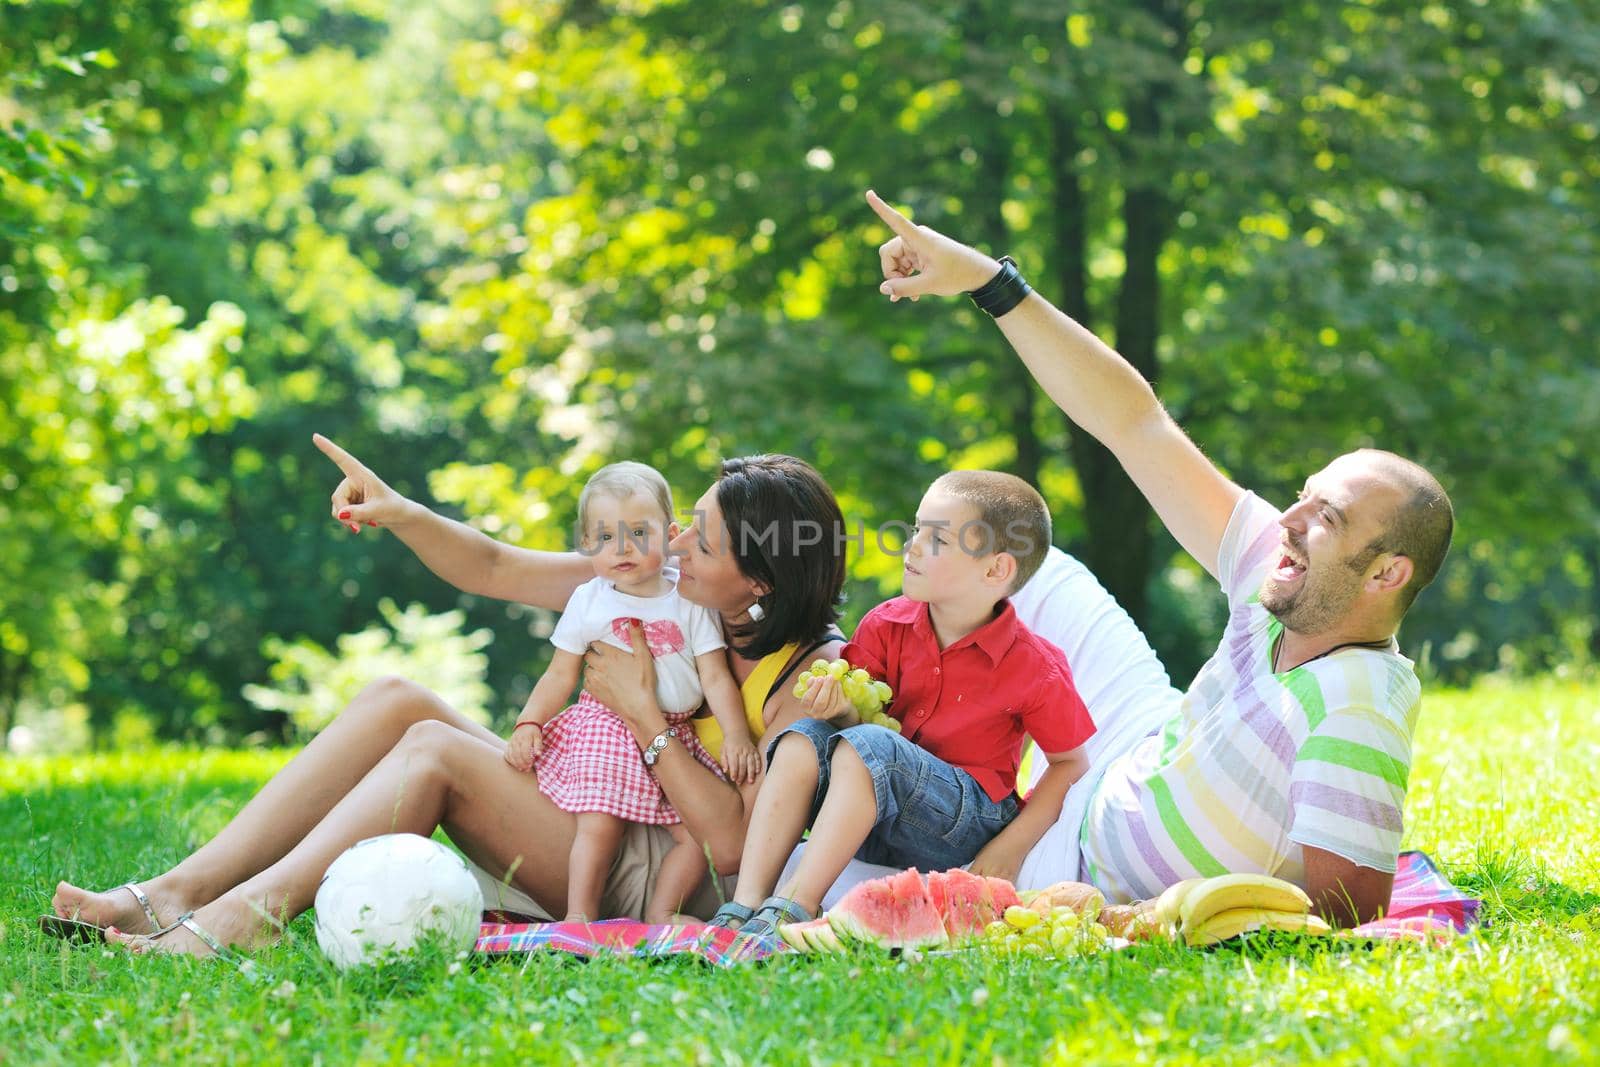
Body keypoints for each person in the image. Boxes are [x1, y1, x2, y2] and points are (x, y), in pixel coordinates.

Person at [854, 189, 1454, 926]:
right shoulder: (1282, 568)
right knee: (1008, 559)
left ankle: (826, 791)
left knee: (823, 875)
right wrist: (987, 280)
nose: (1289, 521)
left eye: (1325, 516)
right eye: (1304, 496)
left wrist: (1141, 918)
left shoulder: (1356, 703)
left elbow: (1347, 916)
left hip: (1077, 860)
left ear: (1387, 572)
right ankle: (859, 713)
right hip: (1132, 735)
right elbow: (1136, 423)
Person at [46, 440, 848, 955]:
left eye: (698, 538)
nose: (671, 542)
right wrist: (401, 513)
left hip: (649, 865)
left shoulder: (804, 671)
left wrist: (643, 714)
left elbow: (733, 849)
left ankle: (233, 925)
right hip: (590, 797)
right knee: (399, 698)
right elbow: (497, 568)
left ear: (759, 583)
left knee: (435, 750)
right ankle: (172, 894)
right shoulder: (651, 580)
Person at [712, 469, 1096, 938]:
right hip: (875, 815)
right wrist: (838, 710)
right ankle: (743, 905)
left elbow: (1070, 763)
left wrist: (1011, 846)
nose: (911, 546)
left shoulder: (1034, 666)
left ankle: (794, 908)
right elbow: (861, 724)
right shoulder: (884, 625)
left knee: (870, 745)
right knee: (804, 738)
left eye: (936, 539)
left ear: (995, 570)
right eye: (917, 529)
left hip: (962, 824)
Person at [503, 461, 758, 923]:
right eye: (604, 538)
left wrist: (737, 734)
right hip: (605, 724)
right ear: (586, 544)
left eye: (639, 534)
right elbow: (560, 675)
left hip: (673, 733)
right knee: (599, 824)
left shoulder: (688, 598)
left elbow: (715, 676)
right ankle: (579, 916)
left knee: (695, 837)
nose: (622, 548)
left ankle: (662, 912)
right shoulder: (590, 600)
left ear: (671, 533)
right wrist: (528, 721)